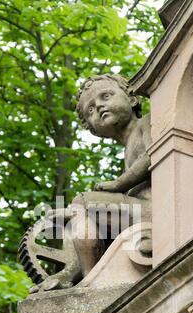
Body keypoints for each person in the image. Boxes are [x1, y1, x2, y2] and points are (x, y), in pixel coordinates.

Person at [28, 74, 152, 292]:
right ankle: (77, 274)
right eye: (91, 110)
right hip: (140, 215)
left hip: (158, 212)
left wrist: (118, 184)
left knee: (83, 203)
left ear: (132, 99)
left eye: (106, 96)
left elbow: (152, 156)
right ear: (93, 129)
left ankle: (89, 279)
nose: (100, 106)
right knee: (78, 212)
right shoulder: (127, 147)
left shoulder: (148, 122)